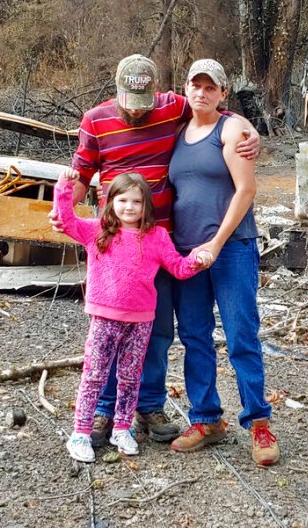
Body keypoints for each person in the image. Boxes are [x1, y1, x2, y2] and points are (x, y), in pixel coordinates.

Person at [49, 54, 260, 447]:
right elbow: (80, 169)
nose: (136, 109)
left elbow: (214, 110)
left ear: (158, 94)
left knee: (155, 329)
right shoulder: (96, 120)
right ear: (116, 90)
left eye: (144, 102)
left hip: (160, 239)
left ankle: (147, 404)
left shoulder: (173, 107)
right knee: (108, 326)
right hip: (112, 240)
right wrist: (65, 207)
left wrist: (248, 133)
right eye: (129, 101)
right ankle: (103, 410)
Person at [167, 59, 279, 466]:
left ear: (222, 93)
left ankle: (259, 424)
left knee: (240, 336)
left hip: (230, 249)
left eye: (210, 87)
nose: (201, 93)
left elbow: (246, 190)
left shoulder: (232, 129)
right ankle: (207, 419)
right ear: (185, 88)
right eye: (195, 85)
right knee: (195, 336)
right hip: (186, 252)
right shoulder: (176, 132)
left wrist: (216, 243)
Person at [54, 169, 208, 462]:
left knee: (130, 376)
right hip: (104, 318)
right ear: (111, 201)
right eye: (122, 200)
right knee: (95, 374)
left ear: (145, 206)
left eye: (136, 201)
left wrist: (197, 261)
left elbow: (177, 267)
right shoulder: (97, 230)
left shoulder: (157, 237)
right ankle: (81, 432)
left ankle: (122, 428)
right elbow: (65, 220)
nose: (129, 207)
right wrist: (64, 187)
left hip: (141, 320)